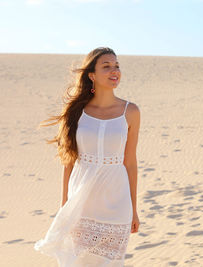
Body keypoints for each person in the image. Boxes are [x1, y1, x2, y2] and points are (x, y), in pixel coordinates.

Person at [34, 47, 140, 266]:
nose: (115, 71)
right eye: (107, 66)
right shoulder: (76, 112)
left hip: (116, 202)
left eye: (117, 66)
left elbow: (129, 162)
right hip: (82, 201)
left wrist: (134, 209)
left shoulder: (131, 112)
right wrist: (64, 206)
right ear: (91, 75)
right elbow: (69, 162)